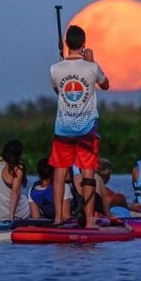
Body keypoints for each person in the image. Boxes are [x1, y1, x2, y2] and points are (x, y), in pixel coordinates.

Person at [49, 25, 110, 228]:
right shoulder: (92, 67)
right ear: (84, 43)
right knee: (87, 174)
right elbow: (106, 85)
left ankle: (58, 218)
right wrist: (91, 62)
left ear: (66, 44)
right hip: (86, 129)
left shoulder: (55, 68)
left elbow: (58, 91)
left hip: (63, 128)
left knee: (60, 174)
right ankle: (90, 220)